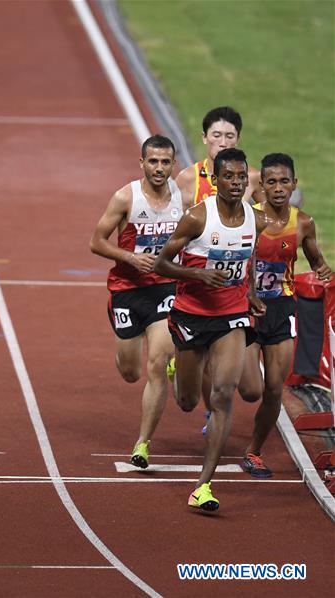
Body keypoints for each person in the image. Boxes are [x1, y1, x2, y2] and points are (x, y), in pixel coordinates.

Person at [154, 147, 268, 511]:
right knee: (187, 402)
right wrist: (198, 273)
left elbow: (249, 259)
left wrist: (249, 294)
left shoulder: (256, 219)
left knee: (222, 394)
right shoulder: (196, 219)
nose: (236, 183)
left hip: (232, 316)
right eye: (228, 177)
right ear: (215, 180)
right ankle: (179, 369)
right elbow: (161, 264)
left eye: (241, 176)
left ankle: (203, 485)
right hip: (191, 314)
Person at [235, 153, 331, 478]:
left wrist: (323, 270)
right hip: (248, 310)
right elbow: (238, 263)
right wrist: (248, 295)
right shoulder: (249, 218)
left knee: (275, 388)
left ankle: (254, 452)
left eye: (284, 182)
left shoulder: (303, 222)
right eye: (271, 182)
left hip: (282, 309)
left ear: (294, 184)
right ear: (261, 185)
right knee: (250, 389)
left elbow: (315, 258)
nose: (278, 188)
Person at [89, 134, 181, 469]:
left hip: (165, 289)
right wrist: (129, 257)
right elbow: (96, 242)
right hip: (127, 290)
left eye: (165, 162)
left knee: (157, 364)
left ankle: (142, 443)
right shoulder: (125, 197)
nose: (159, 168)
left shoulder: (181, 198)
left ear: (173, 164)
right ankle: (145, 348)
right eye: (153, 161)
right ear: (142, 163)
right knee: (130, 372)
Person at [175, 106, 265, 207]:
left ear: (238, 140)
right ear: (204, 137)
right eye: (217, 136)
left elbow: (273, 217)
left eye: (229, 136)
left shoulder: (253, 177)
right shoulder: (187, 179)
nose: (223, 143)